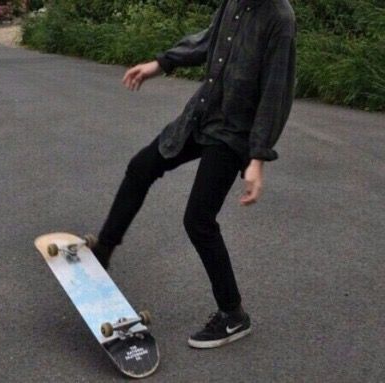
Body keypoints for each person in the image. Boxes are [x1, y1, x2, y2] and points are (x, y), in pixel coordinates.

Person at [92, 0, 297, 349]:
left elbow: (277, 91)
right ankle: (103, 252)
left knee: (198, 220)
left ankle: (234, 315)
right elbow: (208, 41)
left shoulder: (279, 17)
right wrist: (160, 63)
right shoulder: (234, 2)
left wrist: (257, 158)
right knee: (141, 168)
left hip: (234, 133)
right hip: (201, 115)